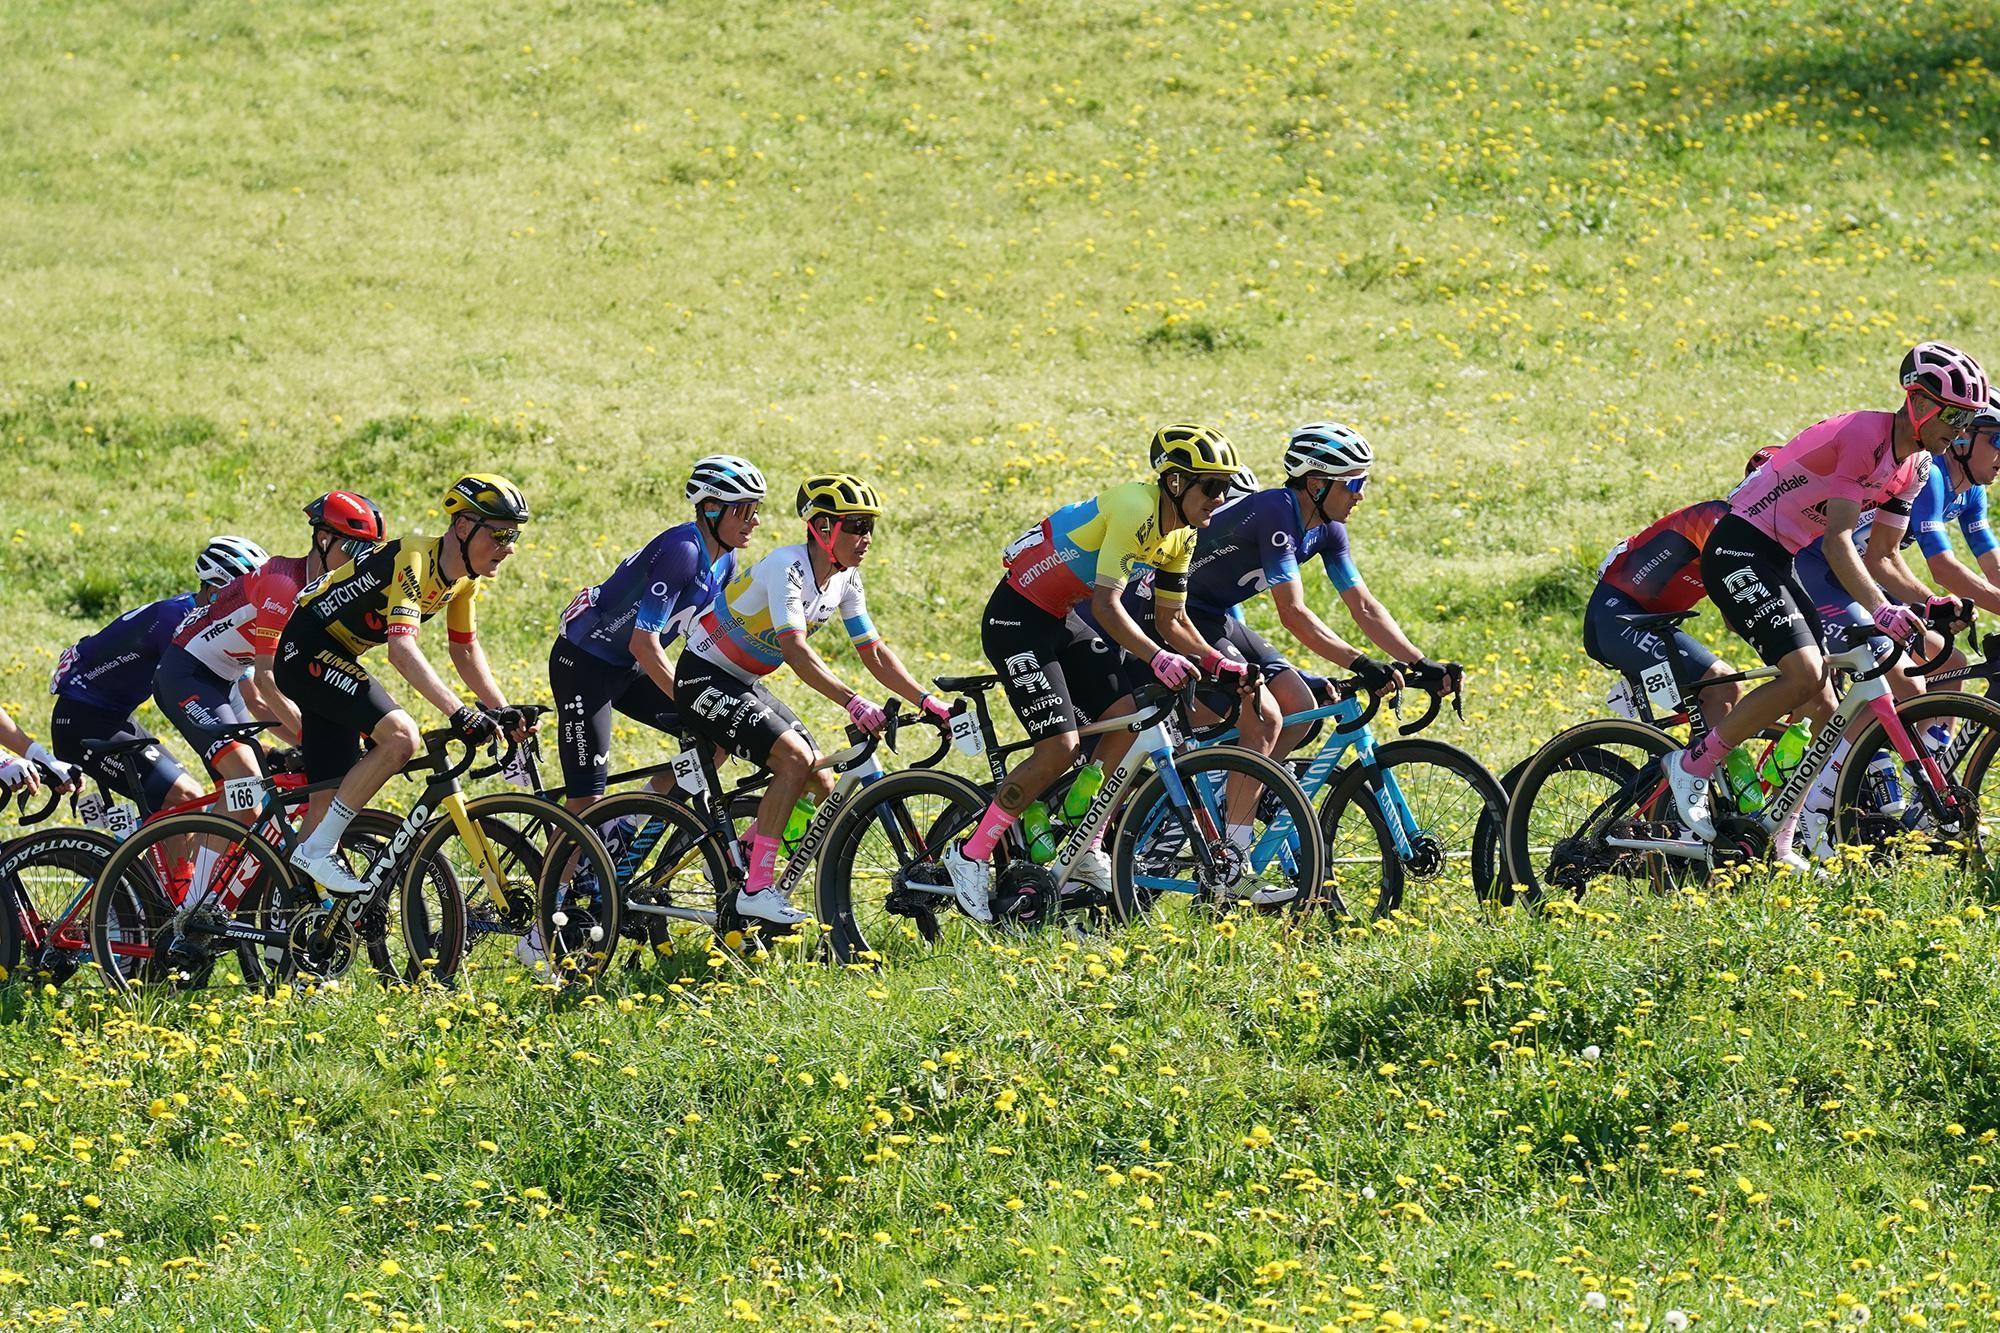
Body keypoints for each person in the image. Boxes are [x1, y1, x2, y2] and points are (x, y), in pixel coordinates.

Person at [1666, 342, 1990, 869]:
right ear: (1918, 403)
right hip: (1739, 548)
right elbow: (1839, 543)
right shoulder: (1865, 437)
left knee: (1823, 702)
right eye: (1953, 414)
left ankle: (1780, 835)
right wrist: (1882, 611)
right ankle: (1693, 767)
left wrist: (1933, 603)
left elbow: (1882, 558)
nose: (1958, 428)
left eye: (1966, 418)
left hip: (1781, 559)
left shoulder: (1914, 468)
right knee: (1803, 673)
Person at [939, 424, 1255, 917]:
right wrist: (1158, 657)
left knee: (1128, 720)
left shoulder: (1182, 536)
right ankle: (970, 853)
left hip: (1061, 618)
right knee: (1060, 748)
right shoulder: (1134, 508)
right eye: (1211, 486)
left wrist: (1214, 660)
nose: (1220, 498)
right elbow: (1108, 607)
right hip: (1017, 620)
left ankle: (1082, 842)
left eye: (1226, 487)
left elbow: (1173, 619)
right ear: (1175, 483)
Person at [675, 474, 951, 927]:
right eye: (856, 526)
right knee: (794, 760)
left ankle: (743, 851)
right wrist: (854, 702)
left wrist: (926, 701)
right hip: (702, 677)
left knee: (820, 781)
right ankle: (757, 888)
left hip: (742, 681)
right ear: (823, 529)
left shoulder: (846, 580)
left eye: (870, 527)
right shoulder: (786, 566)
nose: (865, 538)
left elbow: (874, 650)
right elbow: (796, 651)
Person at [278, 475, 532, 896]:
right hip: (306, 650)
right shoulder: (414, 557)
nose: (510, 548)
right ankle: (317, 851)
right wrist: (458, 711)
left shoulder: (463, 580)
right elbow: (402, 650)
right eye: (502, 534)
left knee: (329, 794)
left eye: (515, 535)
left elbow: (465, 651)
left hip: (333, 657)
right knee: (400, 737)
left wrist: (501, 710)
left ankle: (291, 917)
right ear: (464, 526)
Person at [551, 455, 764, 810]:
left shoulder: (725, 559)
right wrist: (690, 702)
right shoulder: (683, 551)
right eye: (744, 510)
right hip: (585, 666)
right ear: (711, 509)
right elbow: (643, 643)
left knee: (713, 743)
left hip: (633, 669)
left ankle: (625, 832)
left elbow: (707, 639)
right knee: (586, 801)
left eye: (755, 509)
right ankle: (557, 867)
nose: (755, 520)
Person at [153, 496, 384, 806]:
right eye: (356, 549)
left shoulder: (327, 594)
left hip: (227, 680)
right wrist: (311, 736)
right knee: (246, 783)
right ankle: (210, 857)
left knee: (255, 795)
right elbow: (267, 677)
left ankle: (233, 850)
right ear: (324, 539)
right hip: (186, 675)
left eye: (370, 553)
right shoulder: (284, 585)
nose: (362, 560)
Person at [1792, 394, 2000, 696]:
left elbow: (1994, 565)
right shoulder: (1932, 477)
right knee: (1905, 684)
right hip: (1815, 568)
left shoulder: (1972, 493)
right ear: (1963, 438)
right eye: (1997, 441)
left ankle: (1925, 745)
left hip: (1857, 575)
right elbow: (1943, 568)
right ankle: (1851, 744)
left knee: (1950, 663)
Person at [43, 541, 256, 814]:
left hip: (114, 718)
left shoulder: (209, 626)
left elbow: (241, 697)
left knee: (190, 808)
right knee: (187, 796)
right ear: (215, 593)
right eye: (244, 599)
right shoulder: (178, 621)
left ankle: (169, 858)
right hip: (82, 723)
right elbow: (189, 706)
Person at [1581, 449, 1778, 727]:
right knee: (1721, 686)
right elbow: (1737, 614)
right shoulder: (1717, 520)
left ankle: (1695, 765)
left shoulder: (1760, 533)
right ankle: (1696, 769)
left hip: (1643, 619)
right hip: (1616, 618)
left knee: (1721, 703)